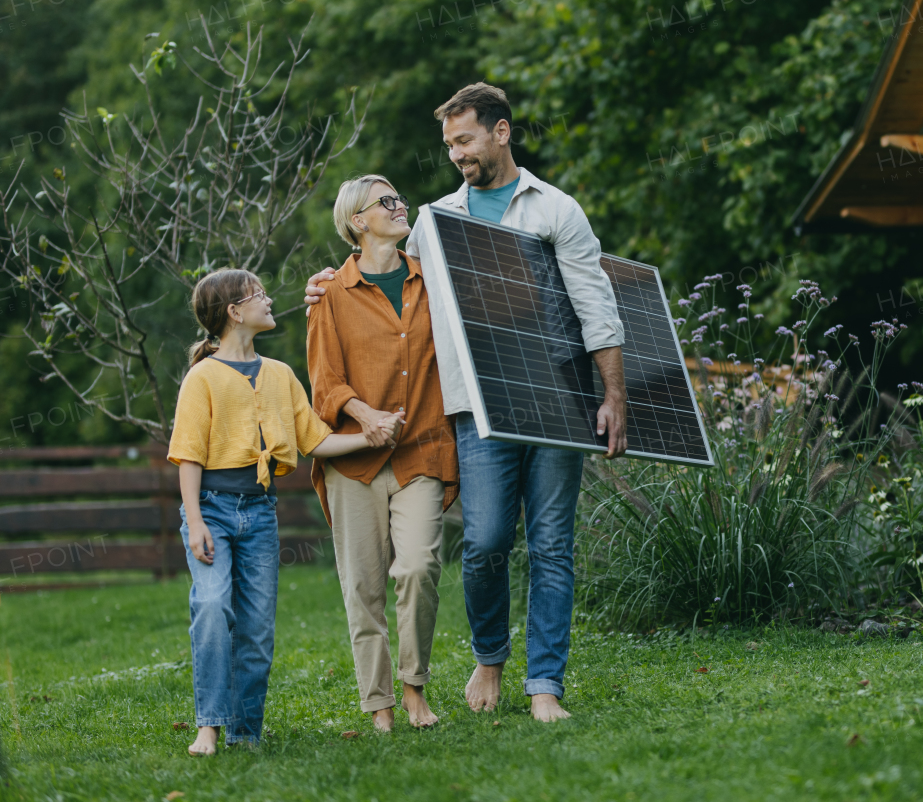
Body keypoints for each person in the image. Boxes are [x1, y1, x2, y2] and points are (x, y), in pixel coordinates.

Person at [306, 82, 628, 722]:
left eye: (465, 139)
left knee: (552, 545)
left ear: (501, 132)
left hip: (559, 400)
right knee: (482, 542)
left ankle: (544, 686)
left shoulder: (556, 210)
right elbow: (394, 279)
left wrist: (612, 393)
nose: (455, 153)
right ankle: (490, 656)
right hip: (476, 410)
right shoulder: (435, 219)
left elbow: (597, 305)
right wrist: (329, 280)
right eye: (448, 143)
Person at [168, 268, 401, 756]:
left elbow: (315, 440)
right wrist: (195, 522)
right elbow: (187, 453)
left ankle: (245, 732)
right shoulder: (203, 377)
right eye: (259, 295)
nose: (269, 300)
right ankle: (209, 725)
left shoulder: (279, 375)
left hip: (259, 513)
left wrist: (371, 435)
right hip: (210, 509)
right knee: (212, 607)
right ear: (234, 312)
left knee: (257, 627)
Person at [307, 175, 459, 732]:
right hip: (354, 462)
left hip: (421, 450)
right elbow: (324, 385)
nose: (401, 208)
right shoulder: (331, 296)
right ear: (357, 223)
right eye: (386, 203)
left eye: (401, 199)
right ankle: (380, 705)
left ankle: (415, 688)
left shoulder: (433, 281)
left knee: (418, 566)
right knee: (363, 588)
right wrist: (365, 415)